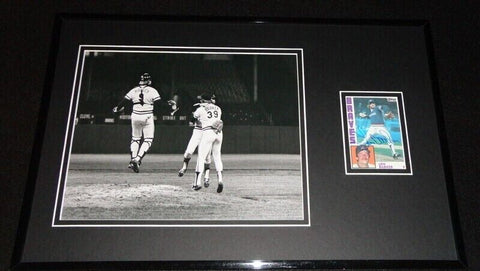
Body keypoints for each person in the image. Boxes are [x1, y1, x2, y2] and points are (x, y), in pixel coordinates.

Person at [112, 72, 176, 173]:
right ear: (149, 81)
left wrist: (116, 109)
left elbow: (123, 102)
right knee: (148, 140)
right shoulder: (152, 90)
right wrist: (170, 107)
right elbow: (159, 105)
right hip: (147, 116)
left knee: (135, 138)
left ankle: (133, 159)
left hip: (135, 115)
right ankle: (137, 159)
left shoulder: (134, 90)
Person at [178, 94, 216, 187]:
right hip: (198, 131)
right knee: (189, 151)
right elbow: (191, 121)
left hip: (207, 131)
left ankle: (206, 177)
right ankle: (184, 167)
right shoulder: (198, 107)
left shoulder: (214, 108)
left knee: (207, 156)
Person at [191, 93, 224, 193]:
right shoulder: (218, 108)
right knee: (217, 157)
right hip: (219, 133)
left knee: (201, 158)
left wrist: (196, 112)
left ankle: (197, 183)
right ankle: (220, 180)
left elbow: (193, 120)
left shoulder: (200, 109)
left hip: (208, 132)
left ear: (203, 100)